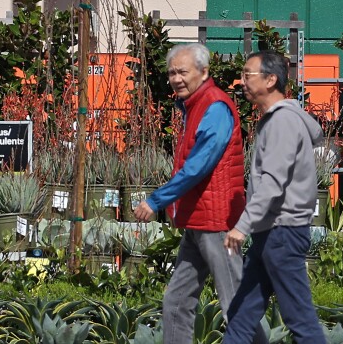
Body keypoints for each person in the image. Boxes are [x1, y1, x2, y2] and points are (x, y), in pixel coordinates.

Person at [133, 43, 266, 344]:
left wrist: (156, 200)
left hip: (218, 223)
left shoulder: (214, 107)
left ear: (204, 72)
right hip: (198, 221)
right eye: (171, 73)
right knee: (176, 303)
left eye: (182, 72)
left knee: (235, 304)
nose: (176, 78)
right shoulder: (194, 106)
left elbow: (198, 166)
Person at [223, 51, 326, 343]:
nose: (241, 81)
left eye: (247, 75)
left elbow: (272, 182)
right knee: (241, 316)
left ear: (271, 80)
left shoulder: (282, 122)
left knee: (300, 320)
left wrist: (243, 225)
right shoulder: (274, 121)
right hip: (271, 233)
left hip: (284, 233)